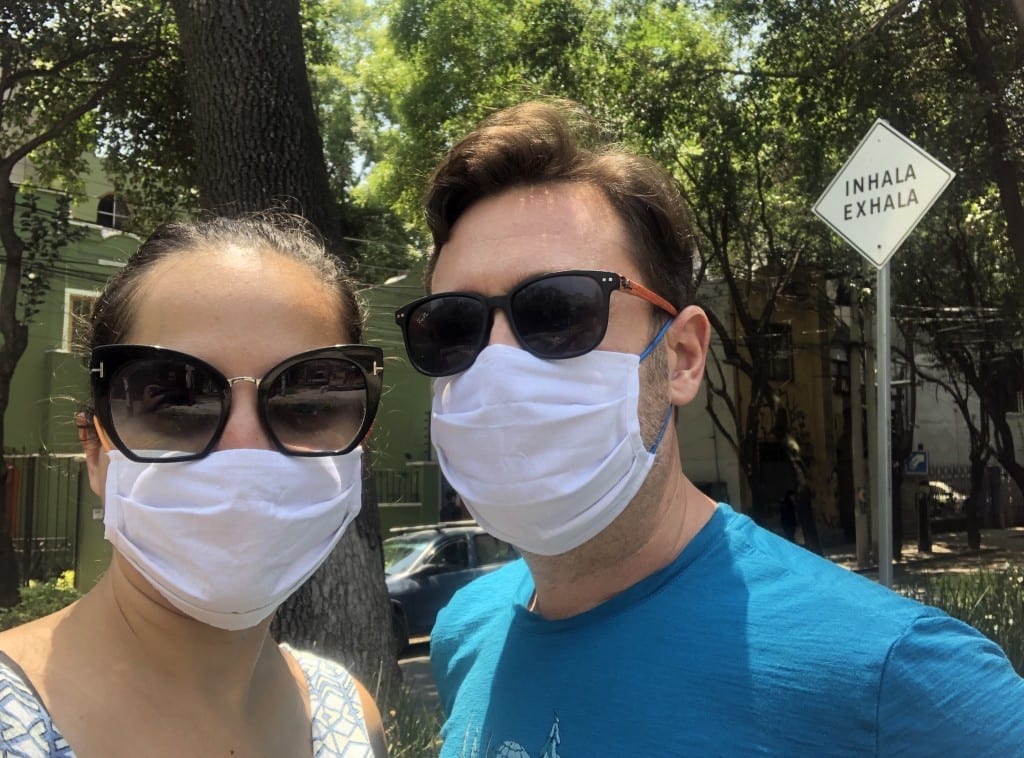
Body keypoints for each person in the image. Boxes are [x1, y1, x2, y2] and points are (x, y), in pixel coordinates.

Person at [393, 100, 1024, 755]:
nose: (498, 365)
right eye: (452, 327)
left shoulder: (898, 679)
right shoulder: (466, 632)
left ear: (683, 357)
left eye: (558, 311)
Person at [0, 215, 387, 756]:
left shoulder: (349, 715)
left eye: (307, 401)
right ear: (95, 452)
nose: (246, 448)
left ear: (360, 442)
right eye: (176, 400)